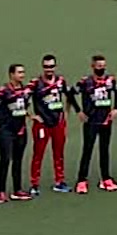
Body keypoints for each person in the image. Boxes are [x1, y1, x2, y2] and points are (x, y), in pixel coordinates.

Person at [28, 54, 76, 195]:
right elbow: (21, 98)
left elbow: (70, 96)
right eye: (46, 67)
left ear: (55, 67)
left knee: (59, 153)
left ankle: (59, 181)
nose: (49, 69)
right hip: (42, 124)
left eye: (51, 66)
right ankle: (34, 184)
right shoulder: (35, 83)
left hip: (58, 123)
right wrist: (31, 116)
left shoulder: (61, 81)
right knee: (38, 154)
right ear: (43, 67)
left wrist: (66, 113)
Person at [74, 54, 117, 194]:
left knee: (104, 150)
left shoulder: (110, 80)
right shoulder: (85, 82)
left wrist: (116, 108)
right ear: (93, 66)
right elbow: (71, 93)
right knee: (87, 150)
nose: (102, 68)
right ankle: (82, 180)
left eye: (103, 66)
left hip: (106, 120)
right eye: (99, 66)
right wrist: (79, 111)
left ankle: (106, 178)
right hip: (91, 121)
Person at [0, 64, 31, 201]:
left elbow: (24, 107)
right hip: (6, 132)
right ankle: (1, 191)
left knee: (18, 160)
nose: (22, 75)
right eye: (19, 72)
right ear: (11, 74)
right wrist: (3, 124)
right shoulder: (2, 92)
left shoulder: (25, 90)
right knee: (5, 160)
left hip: (21, 130)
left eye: (23, 72)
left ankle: (17, 190)